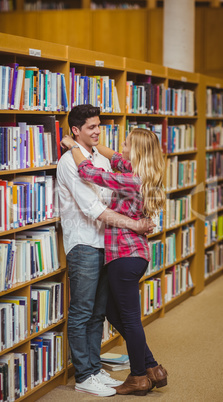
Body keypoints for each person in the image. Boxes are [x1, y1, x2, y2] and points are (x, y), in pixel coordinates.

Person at [60, 127, 168, 396]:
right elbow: (112, 154)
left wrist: (73, 145)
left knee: (130, 320)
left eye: (127, 142)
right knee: (111, 311)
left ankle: (139, 377)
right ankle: (153, 367)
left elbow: (88, 172)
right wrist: (94, 147)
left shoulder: (132, 179)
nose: (121, 144)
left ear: (137, 151)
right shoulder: (137, 169)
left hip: (124, 255)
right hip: (133, 255)